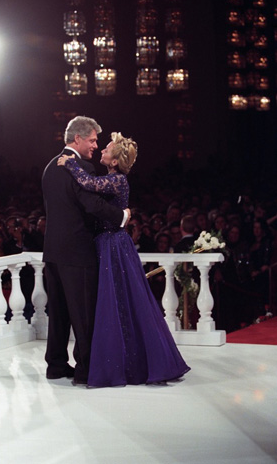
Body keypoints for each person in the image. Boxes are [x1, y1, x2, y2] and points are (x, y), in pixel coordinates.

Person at [58, 131, 190, 387]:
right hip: (106, 243)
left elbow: (87, 183)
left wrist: (70, 162)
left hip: (113, 245)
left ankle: (127, 364)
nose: (102, 151)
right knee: (114, 302)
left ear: (115, 161)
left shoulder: (118, 180)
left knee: (118, 301)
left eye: (106, 149)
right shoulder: (111, 178)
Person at [42, 116, 129, 385]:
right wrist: (122, 216)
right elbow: (91, 204)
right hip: (78, 253)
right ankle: (85, 370)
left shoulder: (49, 167)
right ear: (77, 139)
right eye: (92, 140)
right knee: (83, 314)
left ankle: (55, 365)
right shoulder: (80, 166)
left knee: (58, 313)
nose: (95, 145)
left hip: (53, 254)